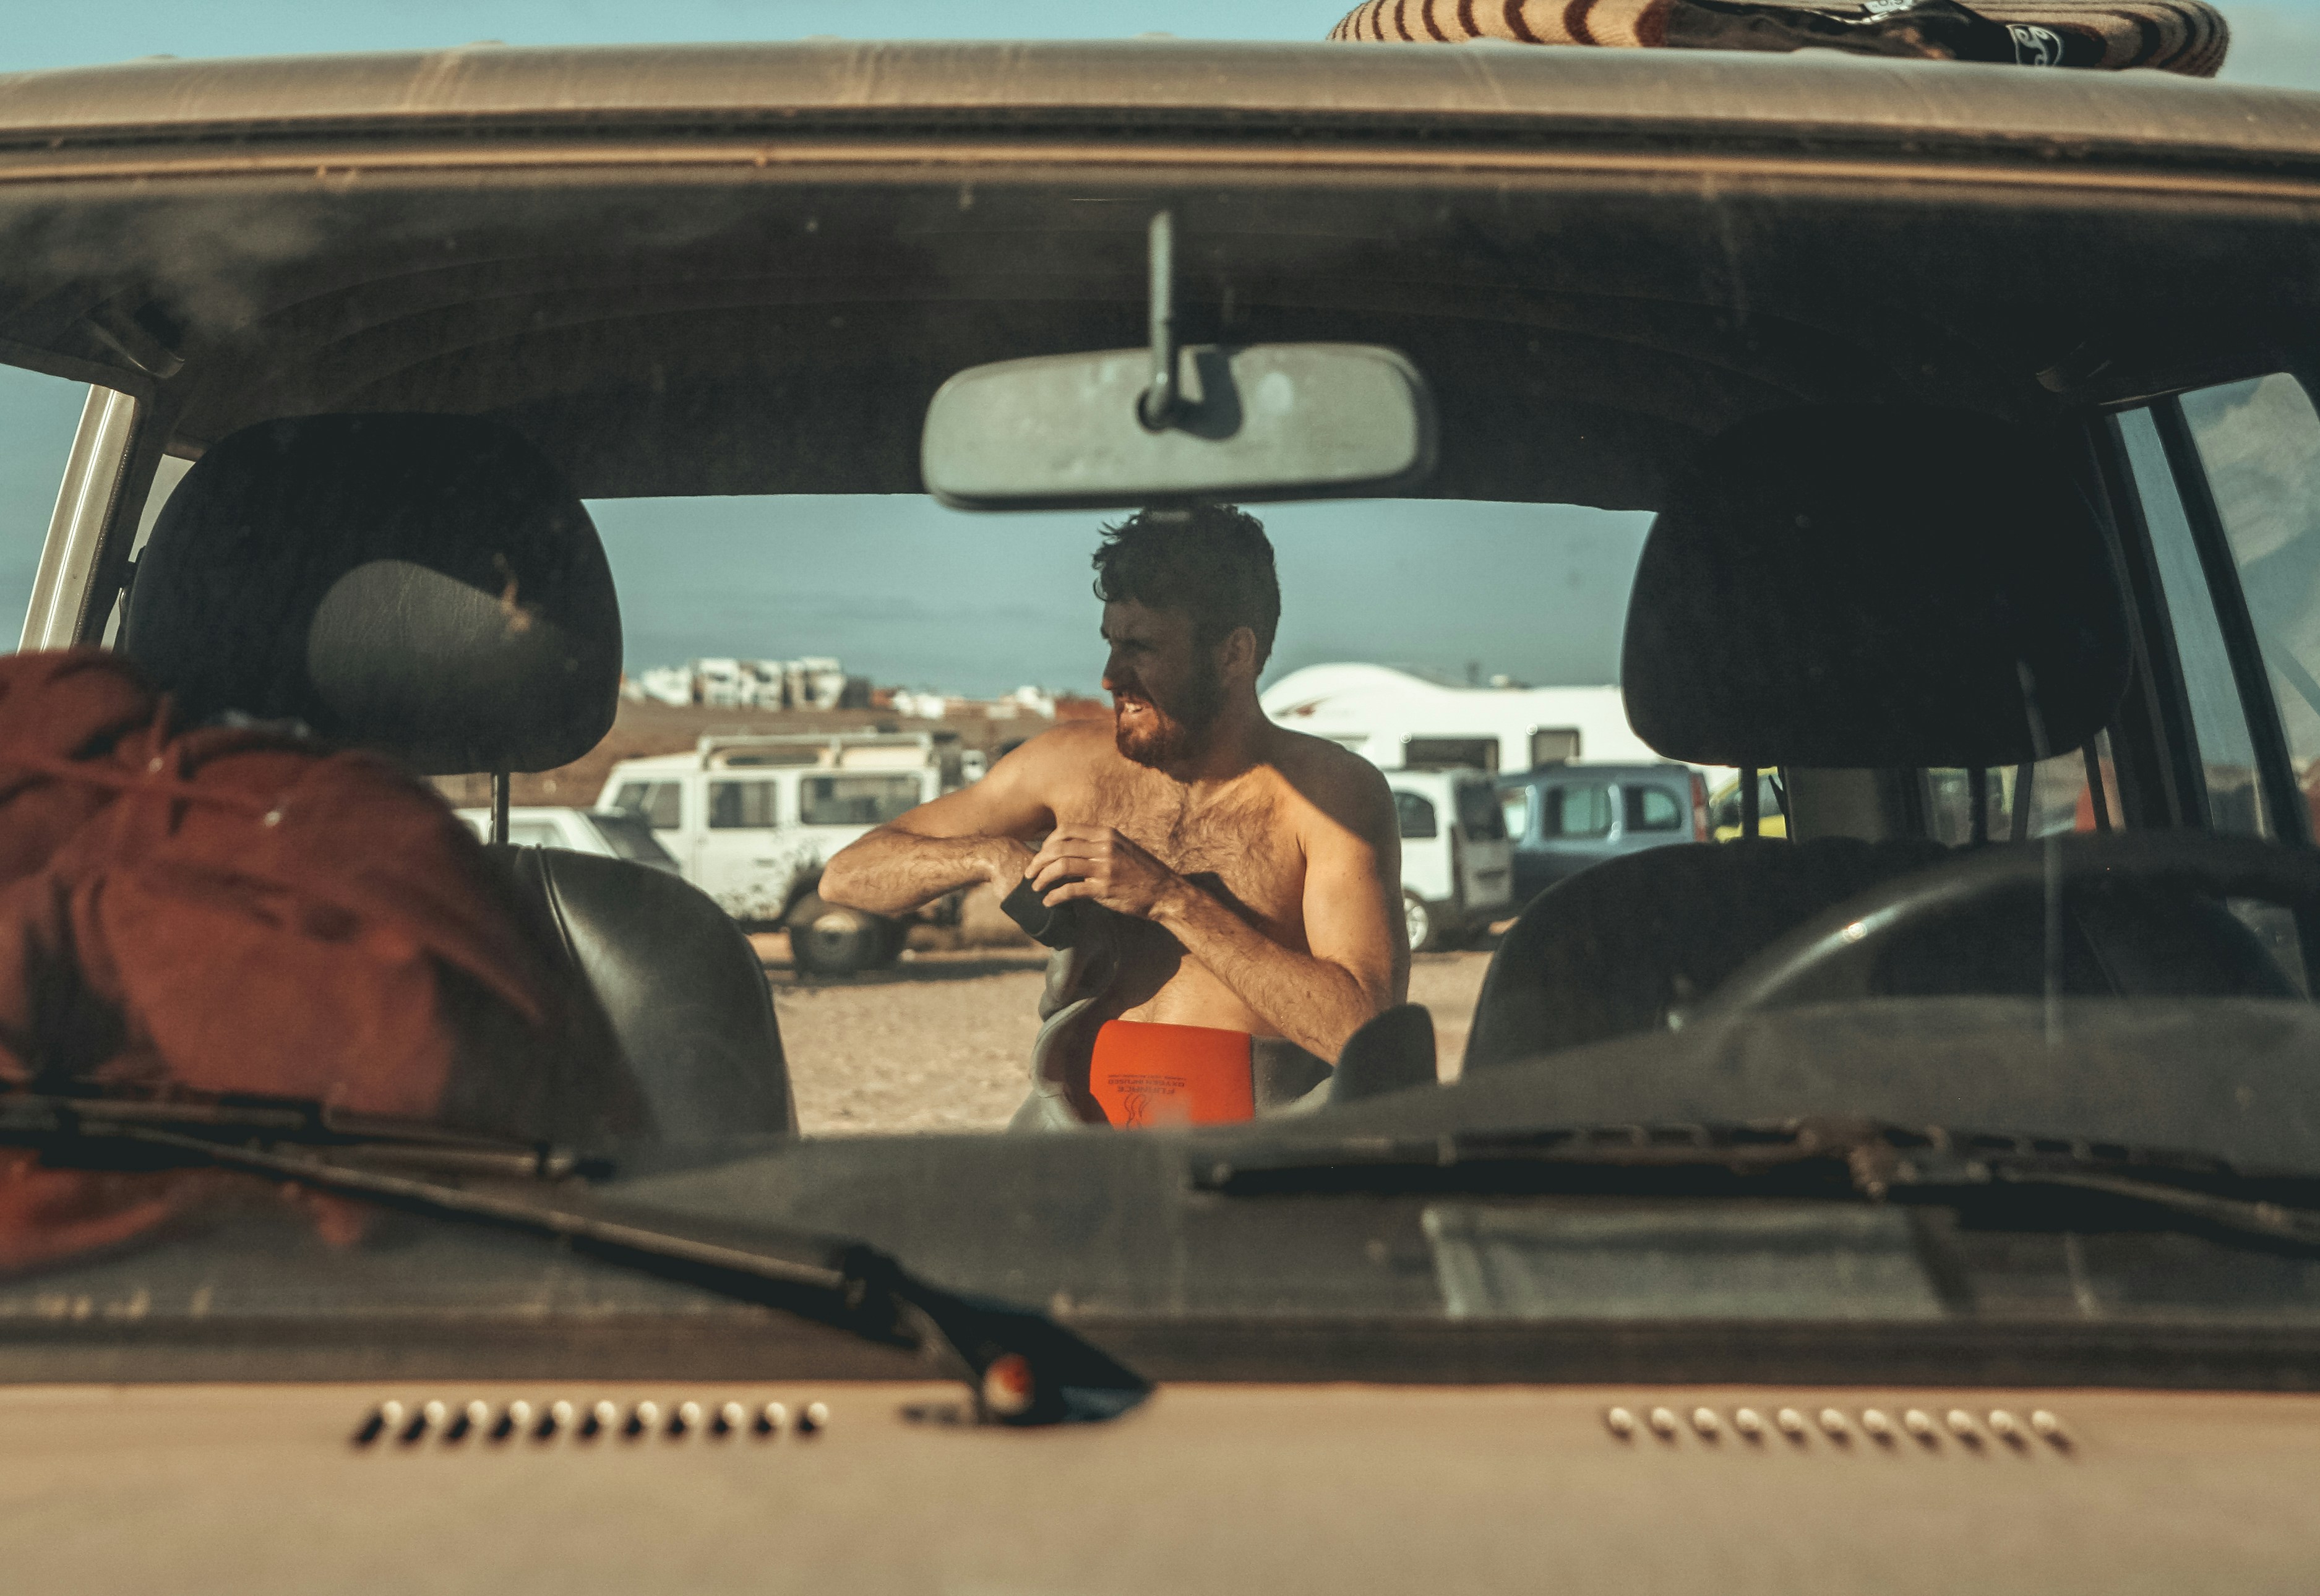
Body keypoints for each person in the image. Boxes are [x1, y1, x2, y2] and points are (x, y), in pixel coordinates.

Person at [818, 504, 1406, 1126]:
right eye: (1110, 643)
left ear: (1234, 653)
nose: (1108, 677)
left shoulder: (1329, 793)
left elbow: (1366, 1032)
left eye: (1141, 648)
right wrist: (988, 856)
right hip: (1075, 1142)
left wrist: (1170, 899)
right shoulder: (1067, 764)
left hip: (1249, 1156)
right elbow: (848, 877)